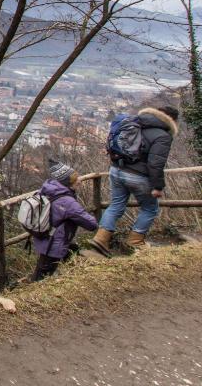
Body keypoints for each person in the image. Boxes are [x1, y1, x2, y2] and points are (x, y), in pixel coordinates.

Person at [93, 105, 179, 253]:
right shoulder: (163, 135)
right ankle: (135, 241)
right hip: (137, 176)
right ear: (172, 120)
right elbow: (155, 163)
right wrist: (158, 186)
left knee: (115, 205)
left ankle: (100, 239)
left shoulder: (134, 122)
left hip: (116, 170)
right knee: (150, 208)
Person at [30, 160, 99, 281]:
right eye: (75, 179)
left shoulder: (49, 189)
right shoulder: (67, 202)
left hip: (45, 236)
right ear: (67, 182)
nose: (79, 180)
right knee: (42, 276)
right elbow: (91, 224)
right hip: (54, 242)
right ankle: (33, 293)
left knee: (45, 267)